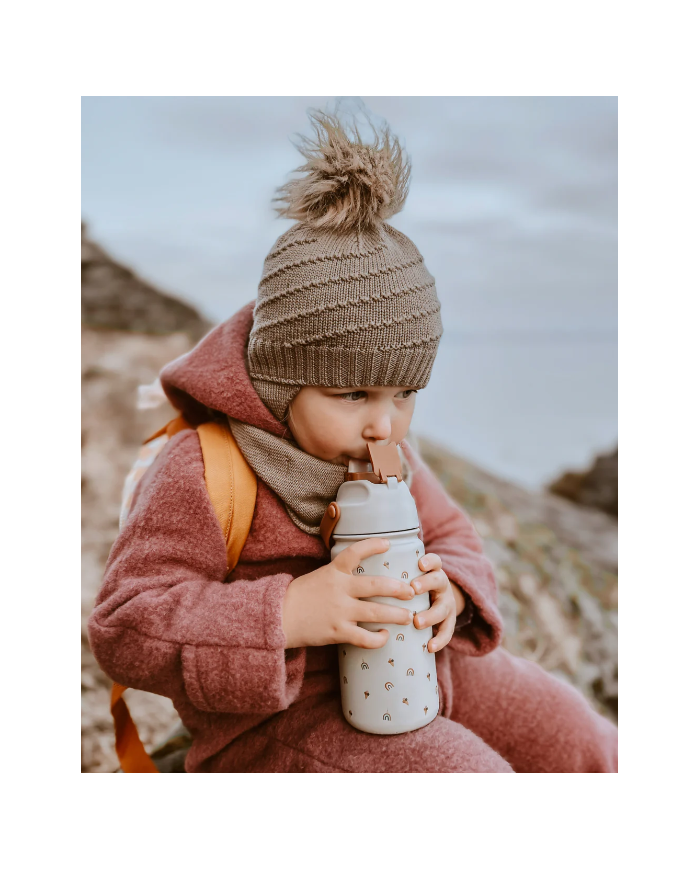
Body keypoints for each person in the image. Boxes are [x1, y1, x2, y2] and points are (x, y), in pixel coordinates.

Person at [88, 107, 617, 773]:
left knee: (575, 732)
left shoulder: (387, 456)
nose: (384, 423)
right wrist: (285, 612)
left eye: (404, 394)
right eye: (353, 394)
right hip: (282, 724)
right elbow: (124, 626)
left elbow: (455, 537)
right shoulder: (207, 467)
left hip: (424, 668)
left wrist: (447, 588)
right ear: (283, 382)